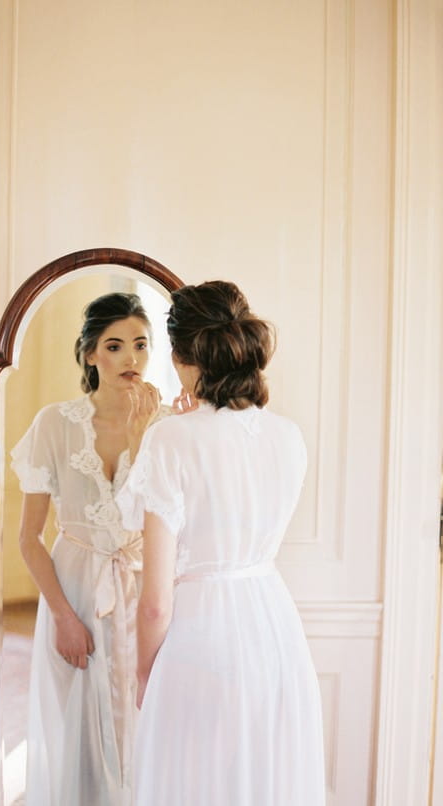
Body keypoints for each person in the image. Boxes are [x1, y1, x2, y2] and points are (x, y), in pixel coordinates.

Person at [116, 281, 325, 805]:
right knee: (261, 781)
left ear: (184, 357)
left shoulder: (172, 439)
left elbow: (156, 602)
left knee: (195, 784)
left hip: (200, 636)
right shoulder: (288, 436)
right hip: (274, 630)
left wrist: (145, 673)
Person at [10, 292, 163, 806]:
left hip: (144, 585)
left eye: (141, 345)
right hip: (75, 588)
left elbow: (160, 522)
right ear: (91, 354)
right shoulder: (54, 424)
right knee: (76, 719)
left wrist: (143, 438)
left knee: (146, 717)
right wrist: (63, 616)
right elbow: (28, 538)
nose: (131, 358)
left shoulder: (164, 429)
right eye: (115, 346)